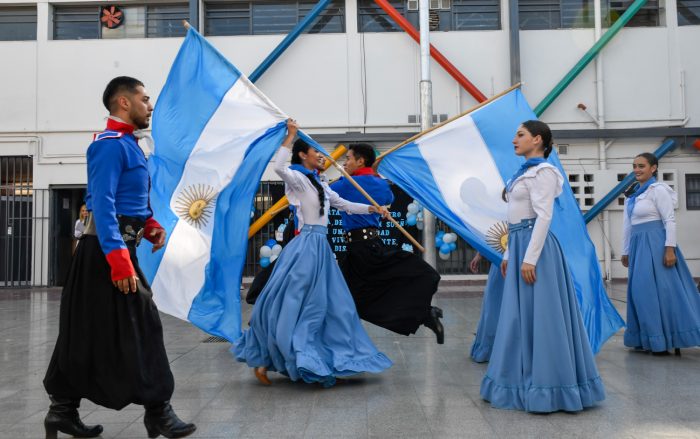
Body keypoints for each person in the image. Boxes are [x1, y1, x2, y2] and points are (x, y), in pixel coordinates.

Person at [43, 77, 196, 439]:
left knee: (83, 331)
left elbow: (131, 203)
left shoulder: (130, 146)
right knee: (144, 326)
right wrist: (119, 261)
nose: (150, 106)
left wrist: (152, 224)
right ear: (124, 103)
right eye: (145, 99)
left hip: (116, 251)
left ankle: (61, 412)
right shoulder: (109, 145)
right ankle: (158, 411)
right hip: (104, 255)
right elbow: (104, 204)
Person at [233, 120, 393, 387]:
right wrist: (291, 136)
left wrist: (373, 210)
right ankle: (272, 356)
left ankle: (314, 353)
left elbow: (343, 204)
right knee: (298, 301)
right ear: (302, 156)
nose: (321, 156)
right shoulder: (297, 180)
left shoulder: (320, 183)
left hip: (321, 246)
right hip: (306, 245)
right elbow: (279, 167)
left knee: (334, 303)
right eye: (315, 152)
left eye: (321, 152)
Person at [480, 120, 605, 413]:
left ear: (537, 140)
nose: (514, 140)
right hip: (520, 243)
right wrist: (510, 254)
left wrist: (529, 258)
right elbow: (513, 220)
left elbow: (543, 217)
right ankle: (519, 381)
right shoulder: (523, 173)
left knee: (543, 317)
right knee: (517, 316)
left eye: (520, 135)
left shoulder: (545, 172)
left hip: (537, 249)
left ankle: (551, 387)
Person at [330, 143, 444, 343]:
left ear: (360, 160)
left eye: (348, 158)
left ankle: (426, 314)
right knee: (360, 297)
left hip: (358, 250)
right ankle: (426, 313)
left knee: (350, 300)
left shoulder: (346, 184)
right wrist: (373, 173)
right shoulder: (381, 184)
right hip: (372, 244)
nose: (345, 162)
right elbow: (388, 197)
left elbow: (324, 193)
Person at [621, 152, 700, 355]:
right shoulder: (634, 194)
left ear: (653, 168)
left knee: (662, 292)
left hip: (656, 244)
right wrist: (626, 250)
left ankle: (663, 340)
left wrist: (670, 248)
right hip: (638, 246)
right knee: (640, 292)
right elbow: (627, 225)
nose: (637, 170)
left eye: (641, 166)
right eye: (635, 166)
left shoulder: (658, 190)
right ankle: (645, 337)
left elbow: (669, 220)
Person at [468, 252, 504, 362]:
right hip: (501, 259)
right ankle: (490, 349)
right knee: (493, 305)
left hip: (524, 257)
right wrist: (479, 254)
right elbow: (490, 234)